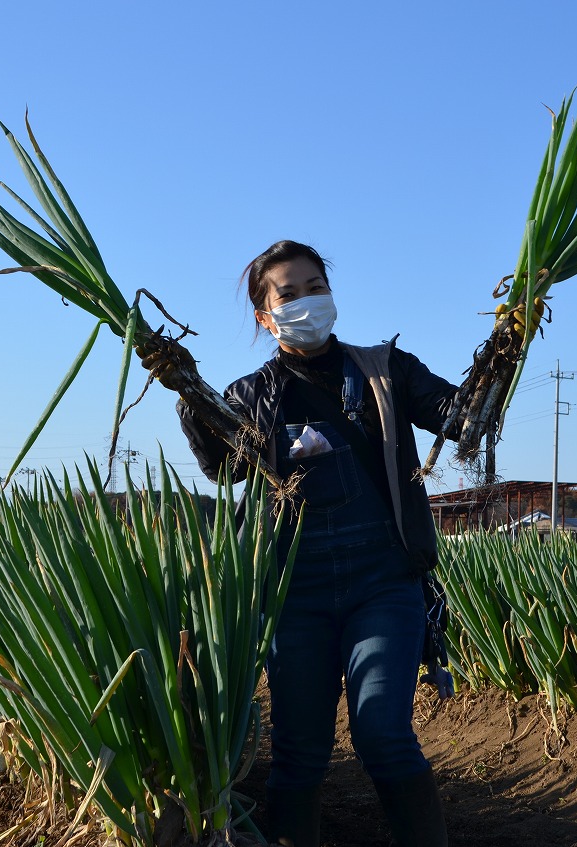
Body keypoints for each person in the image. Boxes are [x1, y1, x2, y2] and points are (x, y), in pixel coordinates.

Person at [147, 240, 454, 847]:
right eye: (288, 294)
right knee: (299, 753)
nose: (307, 301)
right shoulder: (245, 399)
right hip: (294, 592)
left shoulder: (384, 371)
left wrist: (506, 347)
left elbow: (459, 416)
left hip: (383, 582)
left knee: (384, 735)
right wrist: (187, 395)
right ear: (265, 316)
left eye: (316, 286)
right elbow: (222, 471)